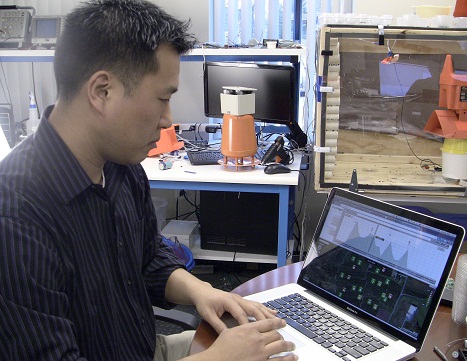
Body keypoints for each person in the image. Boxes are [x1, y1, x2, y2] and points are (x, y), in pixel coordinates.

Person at [0, 1, 298, 360]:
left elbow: (148, 259)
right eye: (162, 99)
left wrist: (202, 291)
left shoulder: (121, 167)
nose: (167, 120)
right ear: (101, 91)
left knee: (280, 347)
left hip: (142, 348)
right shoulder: (15, 217)